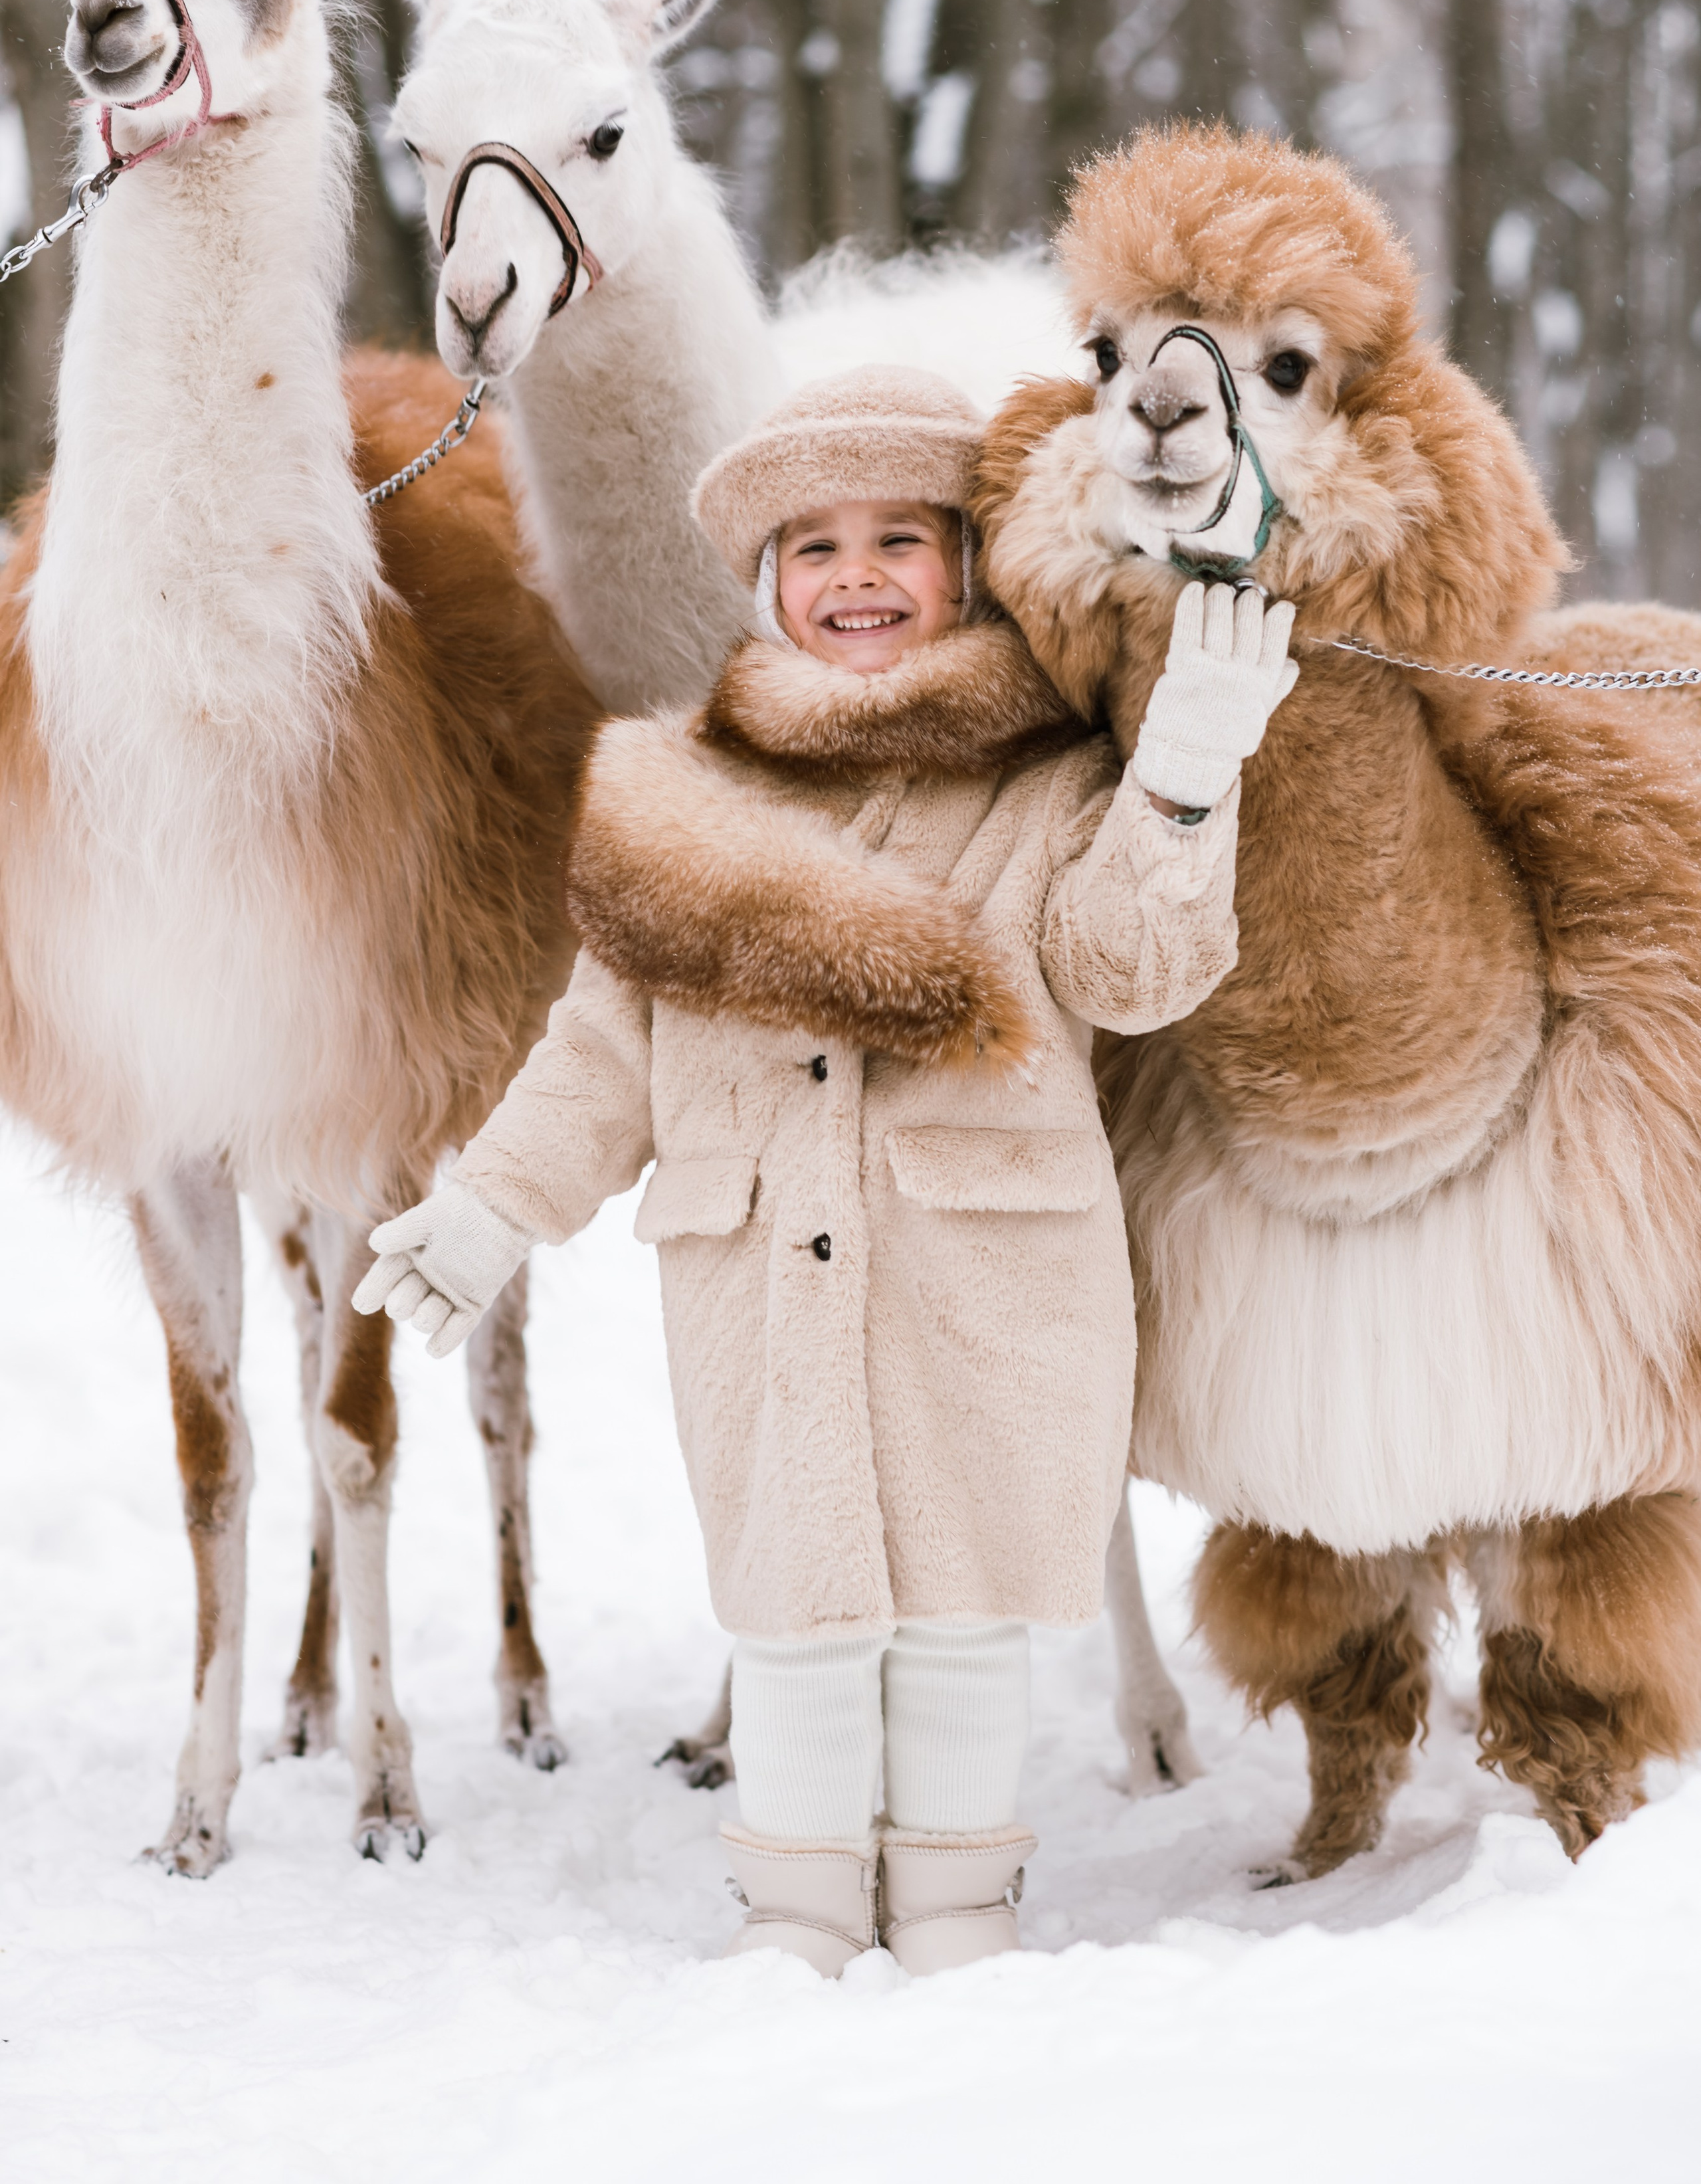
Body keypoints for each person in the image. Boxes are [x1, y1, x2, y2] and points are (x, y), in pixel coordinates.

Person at [355, 366, 1296, 1977]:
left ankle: (955, 1912)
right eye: (815, 547)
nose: (856, 578)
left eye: (898, 539)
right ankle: (789, 1917)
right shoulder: (670, 792)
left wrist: (1185, 778)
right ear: (764, 578)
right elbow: (600, 1052)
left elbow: (1131, 970)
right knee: (792, 1612)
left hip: (979, 1277)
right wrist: (490, 1206)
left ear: (966, 565)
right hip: (759, 1277)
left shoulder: (1052, 783)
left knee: (953, 1614)